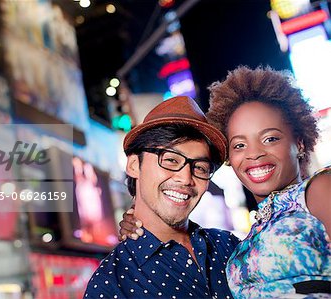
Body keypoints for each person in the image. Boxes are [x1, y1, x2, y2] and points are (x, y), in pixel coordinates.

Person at [120, 66, 331, 298]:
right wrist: (141, 219)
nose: (254, 153)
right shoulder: (241, 242)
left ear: (299, 143)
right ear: (231, 157)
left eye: (270, 138)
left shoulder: (317, 191)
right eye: (239, 145)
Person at [84, 96, 240, 299]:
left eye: (199, 168)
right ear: (133, 165)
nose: (185, 178)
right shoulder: (112, 284)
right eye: (170, 160)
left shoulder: (229, 246)